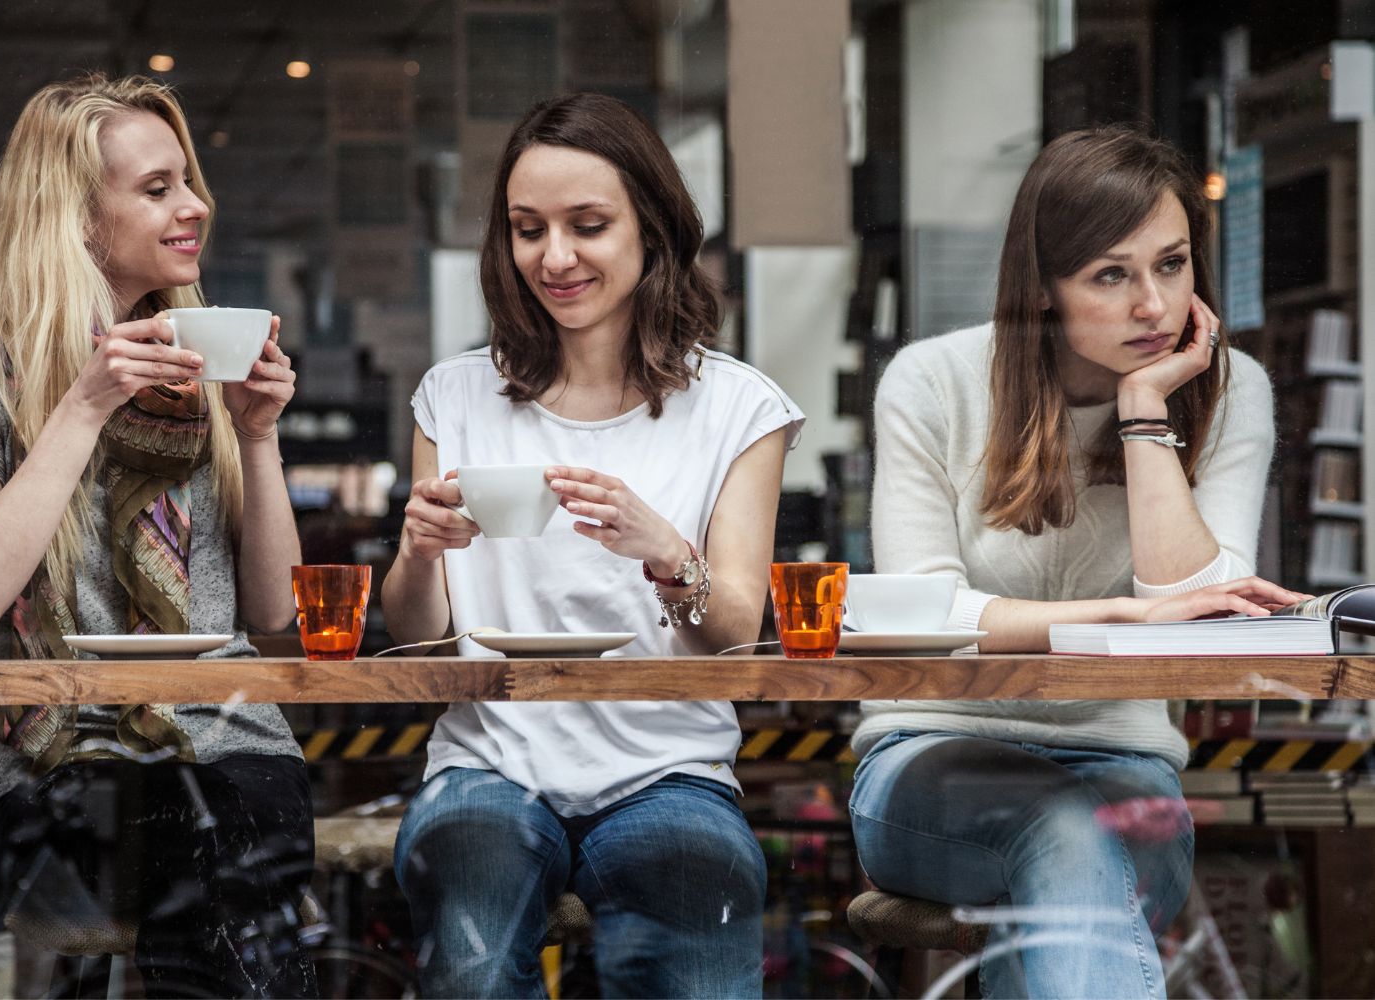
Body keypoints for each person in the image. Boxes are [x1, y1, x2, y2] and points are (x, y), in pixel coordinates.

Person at [850, 125, 1305, 998]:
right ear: (1045, 289)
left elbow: (1198, 608)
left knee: (1066, 866)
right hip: (930, 759)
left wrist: (1144, 414)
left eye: (1171, 266)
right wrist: (1122, 618)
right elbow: (921, 610)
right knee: (1061, 833)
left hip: (1126, 771)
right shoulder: (932, 382)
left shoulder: (1230, 389)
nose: (1154, 307)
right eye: (1111, 274)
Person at [0, 74, 315, 998]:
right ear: (77, 218)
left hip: (233, 738)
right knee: (177, 821)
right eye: (158, 187)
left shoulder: (204, 369)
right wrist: (85, 403)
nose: (195, 205)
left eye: (189, 181)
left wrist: (256, 432)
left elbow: (274, 611)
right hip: (59, 755)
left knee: (223, 811)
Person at [382, 91, 804, 998]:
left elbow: (731, 634)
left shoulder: (737, 408)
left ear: (651, 228)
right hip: (488, 764)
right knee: (471, 948)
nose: (555, 257)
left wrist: (667, 552)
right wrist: (418, 552)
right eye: (528, 229)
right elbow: (420, 637)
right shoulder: (454, 397)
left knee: (697, 931)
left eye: (588, 225)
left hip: (670, 770)